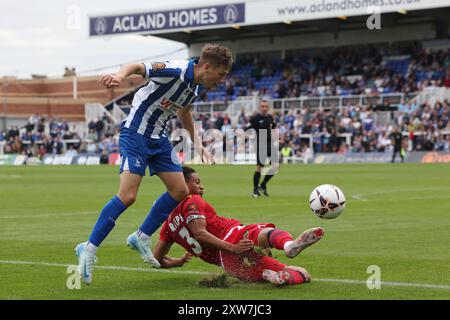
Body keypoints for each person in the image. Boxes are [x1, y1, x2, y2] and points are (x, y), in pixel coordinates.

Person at [75, 44, 233, 284]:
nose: (222, 80)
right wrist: (119, 76)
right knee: (128, 196)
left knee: (180, 190)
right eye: (221, 74)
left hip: (159, 139)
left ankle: (141, 237)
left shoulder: (197, 86)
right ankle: (88, 248)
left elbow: (184, 112)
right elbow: (137, 66)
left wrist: (198, 143)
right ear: (207, 66)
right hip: (136, 134)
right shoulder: (175, 70)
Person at [152, 166, 324, 286]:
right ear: (182, 185)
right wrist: (233, 247)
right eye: (196, 182)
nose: (201, 186)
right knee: (263, 233)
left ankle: (269, 274)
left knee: (299, 274)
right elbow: (200, 233)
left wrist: (179, 262)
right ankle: (288, 246)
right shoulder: (192, 200)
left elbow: (156, 259)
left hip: (228, 264)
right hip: (232, 239)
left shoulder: (168, 225)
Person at [245, 100, 278, 197]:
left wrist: (277, 138)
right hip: (260, 144)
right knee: (260, 167)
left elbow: (274, 127)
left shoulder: (270, 117)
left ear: (268, 108)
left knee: (275, 167)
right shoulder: (255, 119)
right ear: (260, 107)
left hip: (270, 144)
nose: (264, 108)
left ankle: (263, 185)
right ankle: (255, 190)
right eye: (262, 106)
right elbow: (246, 130)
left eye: (266, 106)